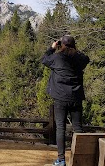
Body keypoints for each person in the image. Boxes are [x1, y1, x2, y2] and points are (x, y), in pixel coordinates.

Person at [41, 35, 90, 166]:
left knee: (60, 128)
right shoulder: (79, 58)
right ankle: (80, 160)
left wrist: (52, 48)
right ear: (74, 45)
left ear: (60, 45)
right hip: (76, 98)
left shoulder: (57, 57)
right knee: (78, 128)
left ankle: (61, 160)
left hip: (60, 98)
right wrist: (75, 49)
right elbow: (87, 58)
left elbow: (44, 59)